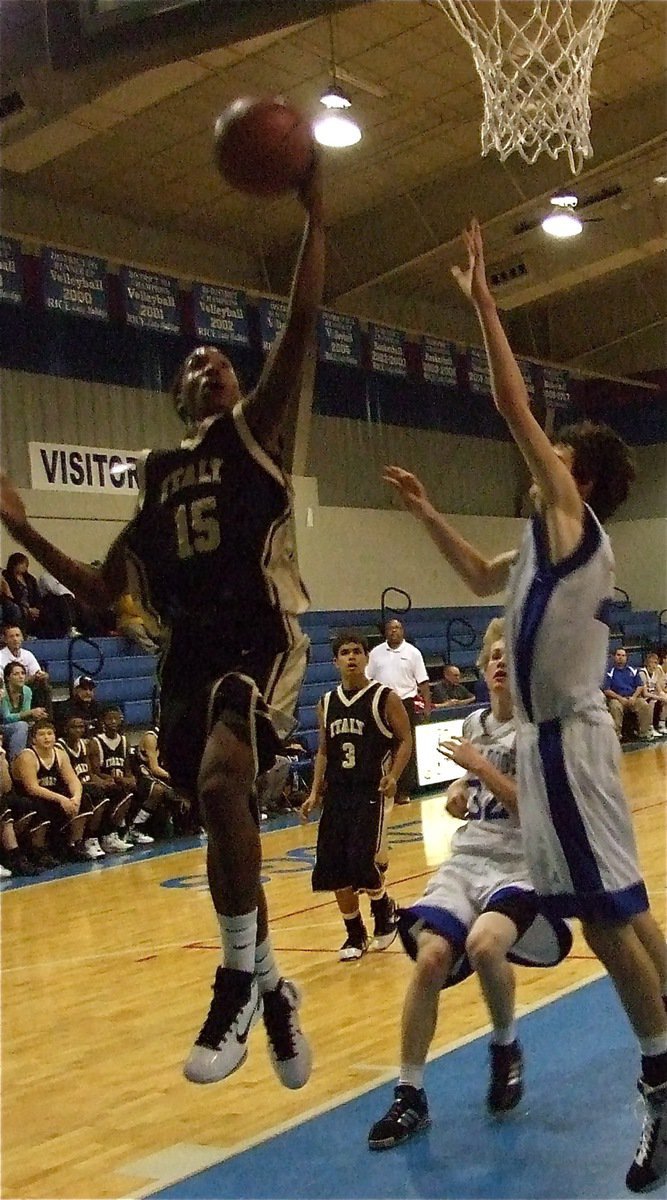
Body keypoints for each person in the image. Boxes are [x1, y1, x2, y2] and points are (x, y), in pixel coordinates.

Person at [0, 155, 324, 1091]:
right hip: (184, 659)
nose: (210, 363)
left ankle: (232, 979)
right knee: (221, 825)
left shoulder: (259, 433)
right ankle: (271, 984)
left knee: (229, 782)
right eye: (194, 362)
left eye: (219, 356)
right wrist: (20, 526)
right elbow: (103, 596)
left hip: (258, 646)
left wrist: (319, 217)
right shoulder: (153, 478)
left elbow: (300, 326)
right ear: (179, 398)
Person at [382, 218, 667, 1193]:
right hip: (558, 746)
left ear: (575, 474)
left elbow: (510, 402)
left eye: (552, 452)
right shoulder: (538, 540)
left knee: (600, 925)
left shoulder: (567, 513)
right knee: (623, 908)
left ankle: (661, 1091)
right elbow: (471, 569)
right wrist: (423, 510)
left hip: (564, 742)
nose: (538, 454)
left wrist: (484, 305)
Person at [368, 620, 572, 1149]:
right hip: (468, 861)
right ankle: (409, 1092)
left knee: (484, 945)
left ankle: (505, 1045)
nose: (501, 662)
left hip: (520, 865)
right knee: (432, 956)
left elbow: (534, 811)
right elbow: (474, 781)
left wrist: (477, 767)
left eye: (510, 656)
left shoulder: (537, 730)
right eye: (493, 656)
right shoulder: (477, 724)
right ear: (482, 670)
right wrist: (460, 789)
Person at [300, 631, 412, 959]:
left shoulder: (384, 697)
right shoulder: (326, 703)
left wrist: (393, 776)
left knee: (361, 861)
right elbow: (323, 750)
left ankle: (383, 911)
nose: (351, 657)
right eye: (345, 653)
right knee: (333, 867)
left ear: (366, 658)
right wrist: (314, 791)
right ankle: (354, 933)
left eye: (357, 651)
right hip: (338, 793)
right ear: (335, 661)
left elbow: (404, 739)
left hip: (370, 790)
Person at [366, 618, 431, 804]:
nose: (394, 631)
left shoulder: (413, 653)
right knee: (382, 746)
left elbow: (423, 682)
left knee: (406, 747)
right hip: (381, 703)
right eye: (390, 629)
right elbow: (367, 678)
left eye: (397, 628)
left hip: (405, 702)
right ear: (385, 632)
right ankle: (383, 788)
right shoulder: (376, 653)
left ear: (402, 631)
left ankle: (403, 791)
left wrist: (427, 706)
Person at [11, 717, 86, 865]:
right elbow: (32, 788)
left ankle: (74, 845)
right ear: (33, 739)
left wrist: (75, 798)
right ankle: (39, 851)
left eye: (50, 733)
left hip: (52, 795)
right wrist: (61, 799)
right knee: (39, 806)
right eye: (41, 734)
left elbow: (73, 780)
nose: (46, 737)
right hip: (28, 797)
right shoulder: (27, 756)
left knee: (84, 799)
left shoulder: (60, 753)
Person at [56, 714, 110, 859]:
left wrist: (99, 780)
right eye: (74, 727)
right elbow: (65, 778)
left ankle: (107, 835)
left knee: (113, 790)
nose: (79, 730)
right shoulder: (59, 747)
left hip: (86, 783)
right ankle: (85, 840)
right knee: (95, 794)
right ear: (66, 729)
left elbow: (89, 770)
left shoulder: (84, 744)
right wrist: (92, 784)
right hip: (71, 787)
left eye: (81, 727)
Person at [604, 647, 654, 742]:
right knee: (615, 707)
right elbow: (607, 690)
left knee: (644, 705)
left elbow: (640, 686)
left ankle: (643, 733)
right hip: (616, 698)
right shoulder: (609, 672)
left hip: (632, 697)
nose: (621, 657)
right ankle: (616, 736)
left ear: (626, 658)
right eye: (618, 655)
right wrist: (620, 698)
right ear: (614, 657)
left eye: (623, 655)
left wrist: (634, 697)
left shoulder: (632, 670)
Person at [1, 661, 48, 759]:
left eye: (23, 673)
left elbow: (25, 715)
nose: (21, 676)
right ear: (8, 677)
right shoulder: (2, 692)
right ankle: (16, 761)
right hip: (2, 726)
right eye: (16, 674)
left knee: (40, 727)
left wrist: (36, 715)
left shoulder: (26, 691)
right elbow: (6, 718)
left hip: (19, 725)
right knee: (21, 726)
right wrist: (31, 712)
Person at [0, 625, 52, 713]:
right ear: (5, 640)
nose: (15, 639)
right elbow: (3, 682)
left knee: (44, 683)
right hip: (8, 690)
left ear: (22, 638)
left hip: (28, 687)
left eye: (17, 635)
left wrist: (43, 675)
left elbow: (37, 673)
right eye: (11, 636)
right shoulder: (1, 656)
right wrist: (28, 679)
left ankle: (45, 718)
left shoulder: (28, 654)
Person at [2, 553, 41, 635]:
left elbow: (37, 595)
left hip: (30, 605)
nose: (25, 566)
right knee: (15, 610)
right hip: (16, 604)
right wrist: (27, 609)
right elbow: (10, 596)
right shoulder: (6, 577)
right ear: (14, 564)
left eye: (26, 564)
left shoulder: (30, 579)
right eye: (22, 564)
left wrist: (35, 608)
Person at [638, 650, 667, 735]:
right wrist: (658, 697)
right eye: (652, 662)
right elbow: (645, 693)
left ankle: (661, 725)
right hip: (643, 697)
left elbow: (658, 687)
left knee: (665, 699)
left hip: (653, 695)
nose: (654, 665)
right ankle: (650, 727)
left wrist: (662, 695)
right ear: (647, 663)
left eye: (656, 662)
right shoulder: (642, 673)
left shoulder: (655, 673)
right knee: (652, 701)